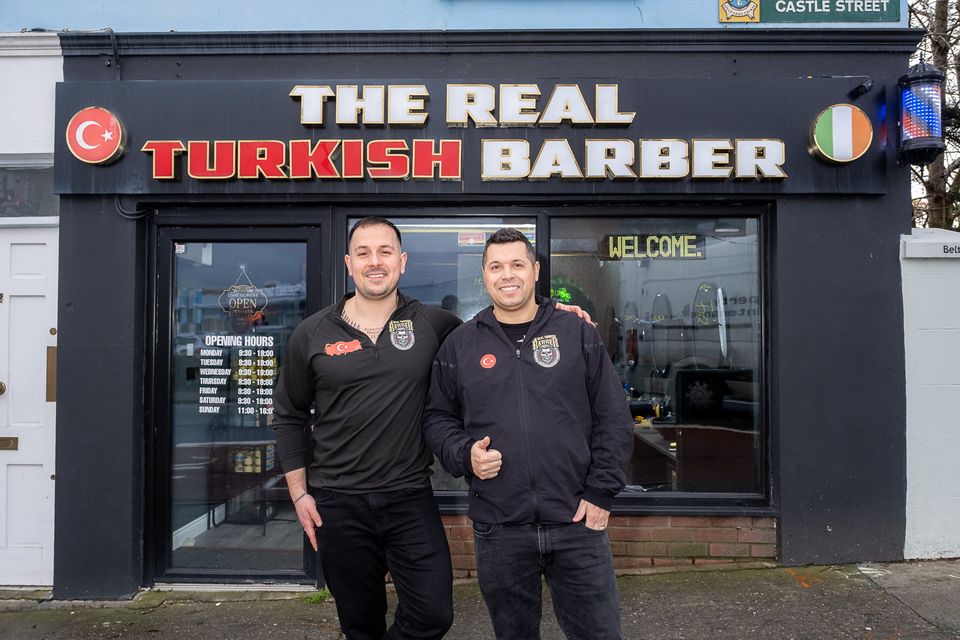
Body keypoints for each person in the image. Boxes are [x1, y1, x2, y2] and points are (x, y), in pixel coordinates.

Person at [272, 217, 592, 640]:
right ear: (349, 264)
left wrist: (556, 316)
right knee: (359, 622)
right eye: (364, 253)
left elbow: (500, 328)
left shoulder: (436, 325)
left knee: (432, 614)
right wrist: (299, 494)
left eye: (385, 252)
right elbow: (289, 414)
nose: (375, 262)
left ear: (401, 262)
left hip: (408, 497)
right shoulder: (311, 333)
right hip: (337, 502)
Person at [422, 228, 634, 640]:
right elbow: (437, 418)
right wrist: (465, 454)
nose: (507, 275)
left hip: (577, 522)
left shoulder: (576, 333)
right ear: (483, 274)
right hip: (499, 528)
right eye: (496, 266)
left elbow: (613, 417)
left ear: (535, 270)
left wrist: (601, 494)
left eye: (517, 264)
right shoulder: (460, 344)